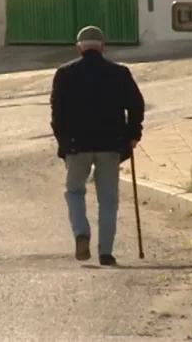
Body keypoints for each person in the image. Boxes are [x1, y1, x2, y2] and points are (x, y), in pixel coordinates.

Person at [50, 26, 145, 266]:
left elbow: (57, 113)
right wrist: (133, 134)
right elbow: (136, 106)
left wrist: (63, 142)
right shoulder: (120, 73)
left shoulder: (64, 74)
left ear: (79, 47)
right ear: (102, 46)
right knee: (108, 200)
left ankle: (81, 231)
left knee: (74, 192)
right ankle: (106, 252)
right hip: (110, 144)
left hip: (76, 144)